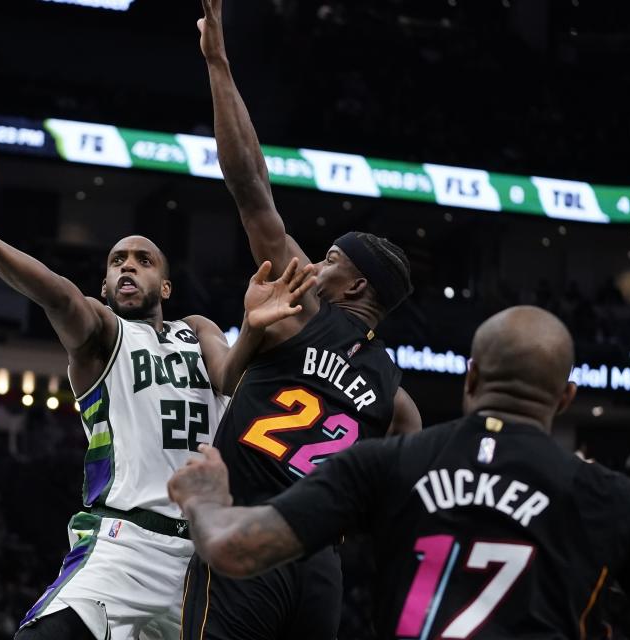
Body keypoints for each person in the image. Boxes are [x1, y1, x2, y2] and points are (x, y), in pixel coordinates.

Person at [0, 198, 316, 640]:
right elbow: (57, 295)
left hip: (204, 556)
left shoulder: (196, 328)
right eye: (118, 261)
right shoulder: (103, 336)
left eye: (143, 260)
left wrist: (251, 328)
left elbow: (229, 378)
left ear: (167, 287)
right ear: (104, 285)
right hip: (124, 543)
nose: (128, 267)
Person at [169, 306, 630, 639]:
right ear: (567, 397)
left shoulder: (386, 462)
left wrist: (206, 499)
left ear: (471, 379)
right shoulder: (610, 498)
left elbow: (234, 550)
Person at [180, 1, 423, 638]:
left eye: (331, 257)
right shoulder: (398, 400)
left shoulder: (301, 305)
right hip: (319, 567)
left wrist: (218, 63)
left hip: (244, 536)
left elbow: (249, 182)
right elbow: (399, 508)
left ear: (355, 283)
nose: (313, 262)